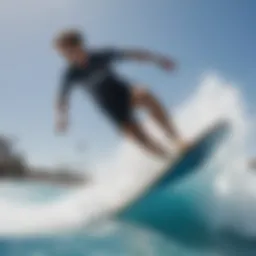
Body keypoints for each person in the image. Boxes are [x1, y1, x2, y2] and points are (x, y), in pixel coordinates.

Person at [54, 29, 189, 159]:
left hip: (122, 91)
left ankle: (176, 138)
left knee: (145, 95)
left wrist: (159, 60)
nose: (68, 57)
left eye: (69, 52)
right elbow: (62, 98)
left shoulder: (100, 56)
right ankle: (166, 157)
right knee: (136, 136)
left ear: (79, 45)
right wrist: (62, 118)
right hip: (109, 105)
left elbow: (132, 54)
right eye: (64, 55)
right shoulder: (70, 74)